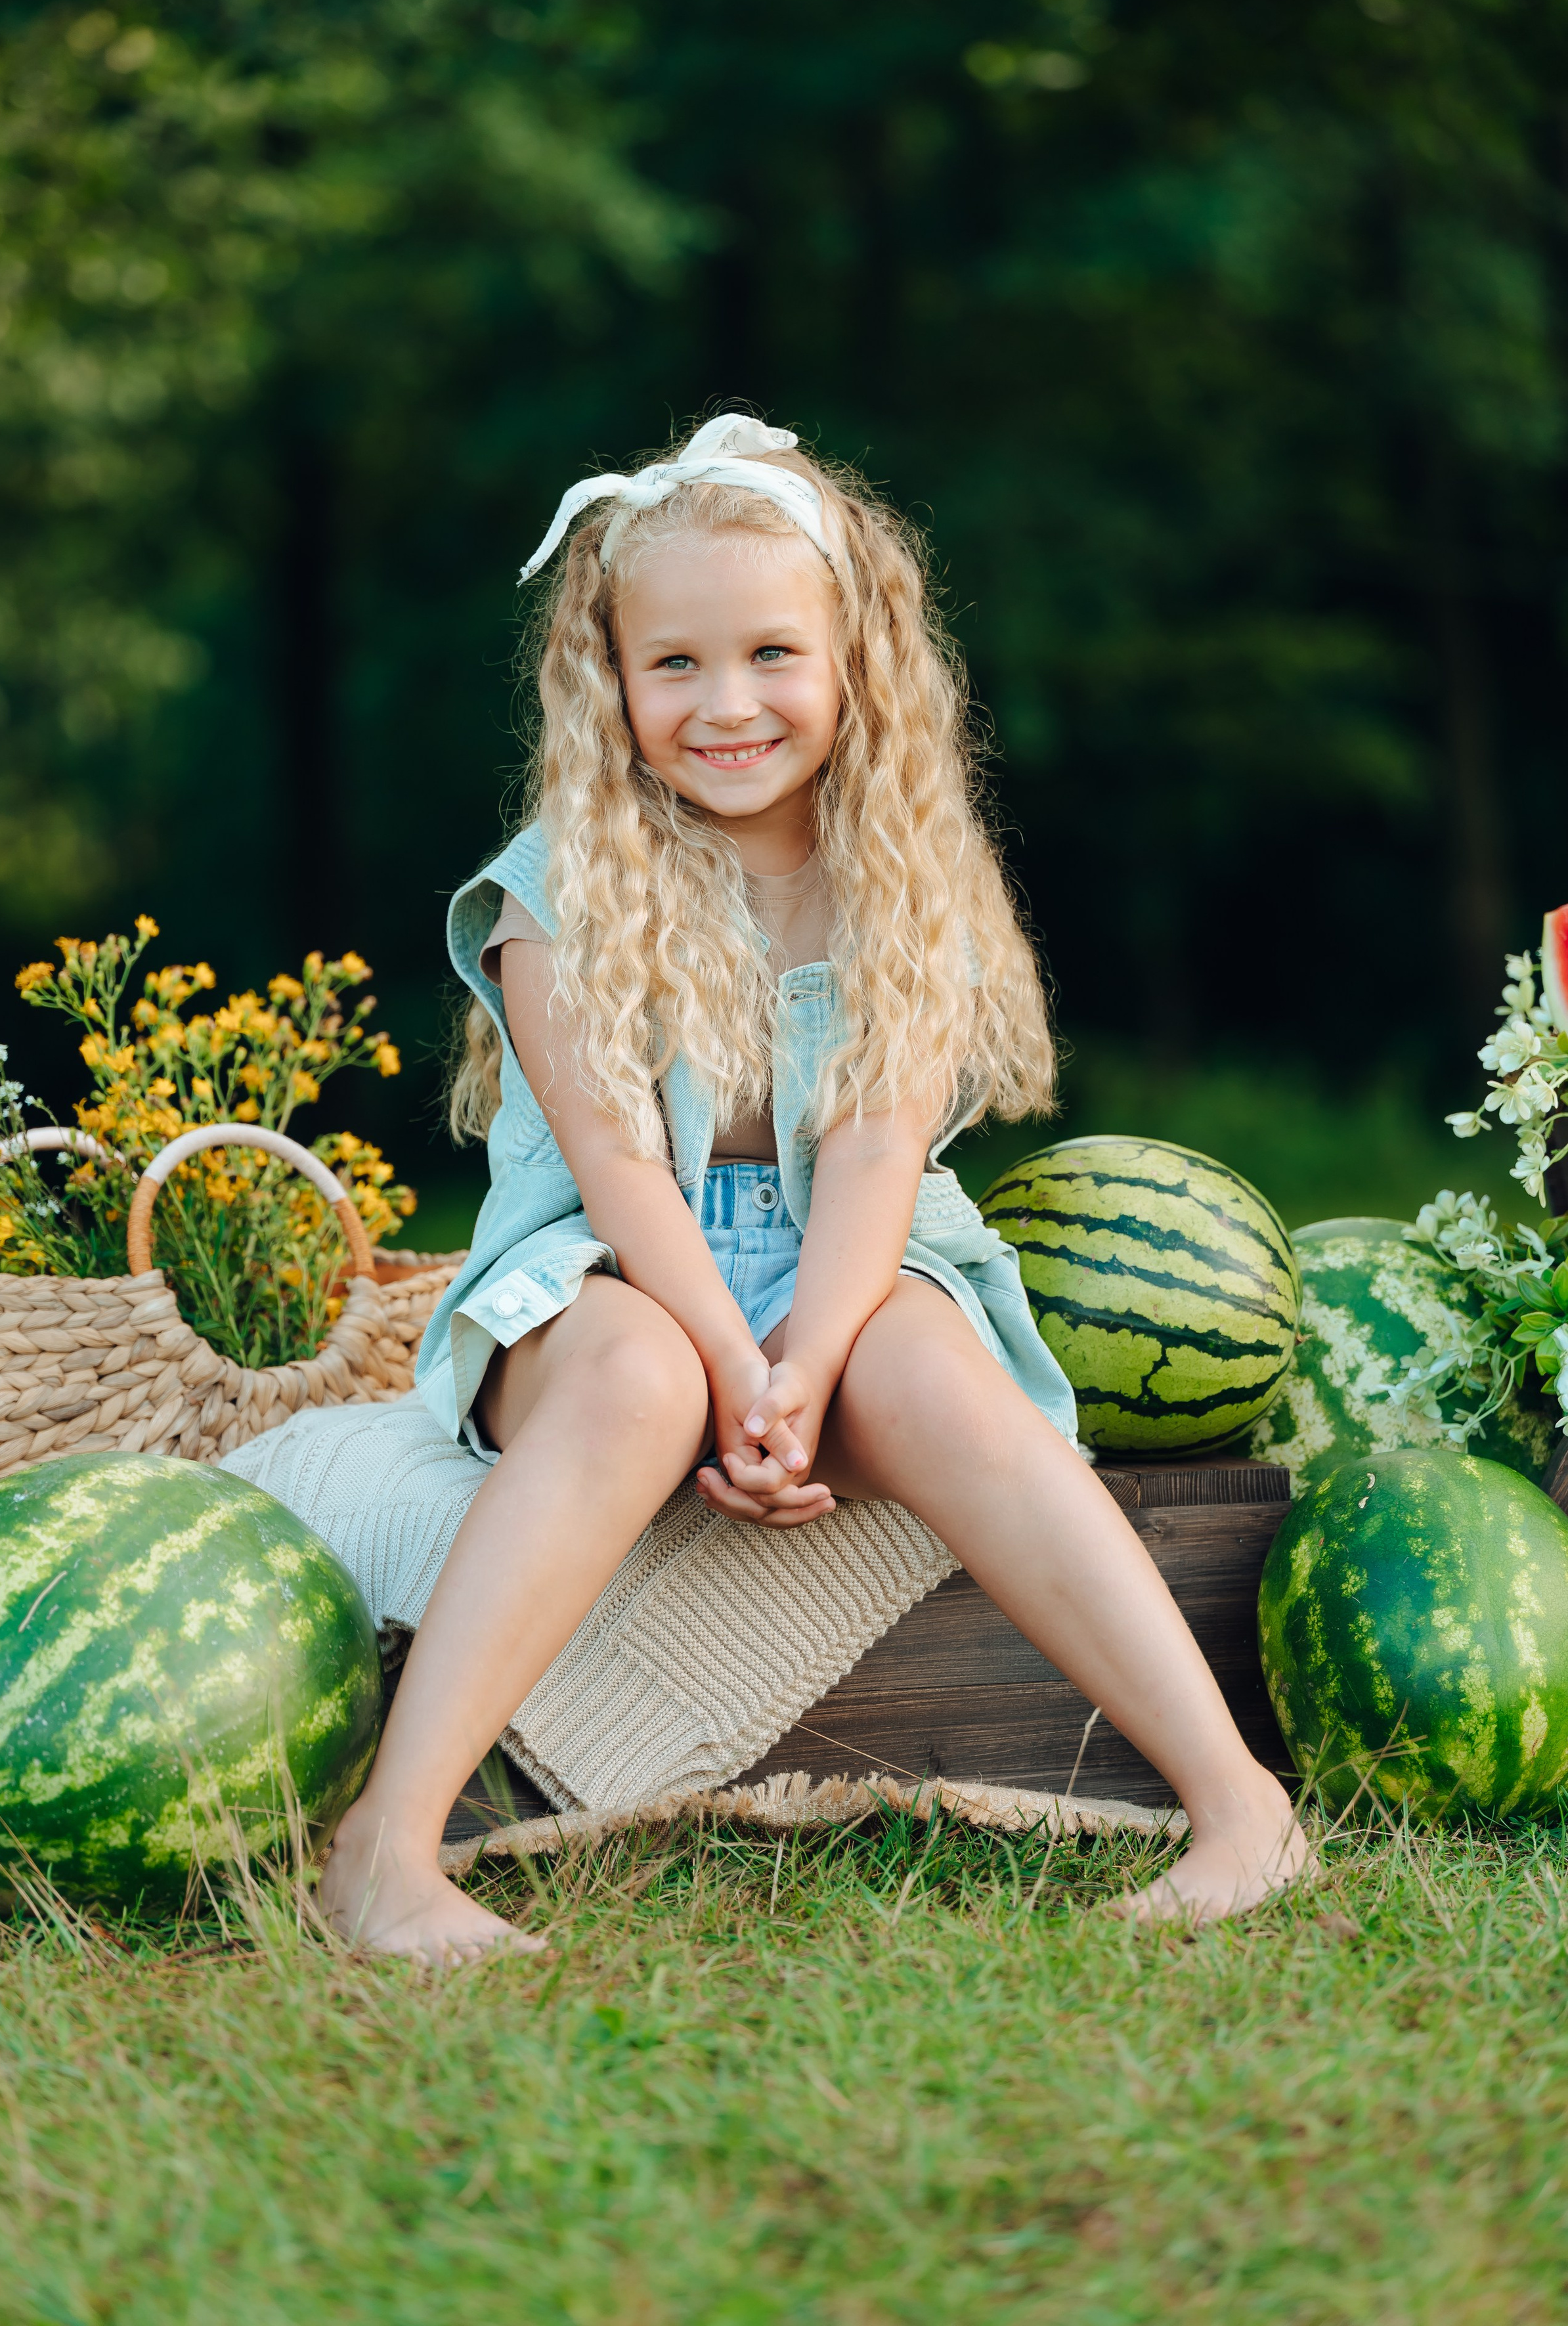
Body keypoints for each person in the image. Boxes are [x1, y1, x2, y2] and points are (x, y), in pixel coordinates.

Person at [318, 414, 1307, 1962]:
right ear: (609, 679)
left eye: (772, 653)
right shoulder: (554, 891)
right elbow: (620, 1176)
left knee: (931, 1375)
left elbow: (870, 1165)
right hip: (607, 1269)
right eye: (676, 665)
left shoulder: (899, 878)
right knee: (640, 1375)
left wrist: (808, 1371)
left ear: (856, 663)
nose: (726, 705)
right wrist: (728, 1365)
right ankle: (387, 1848)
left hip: (850, 1254)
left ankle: (1239, 1805)